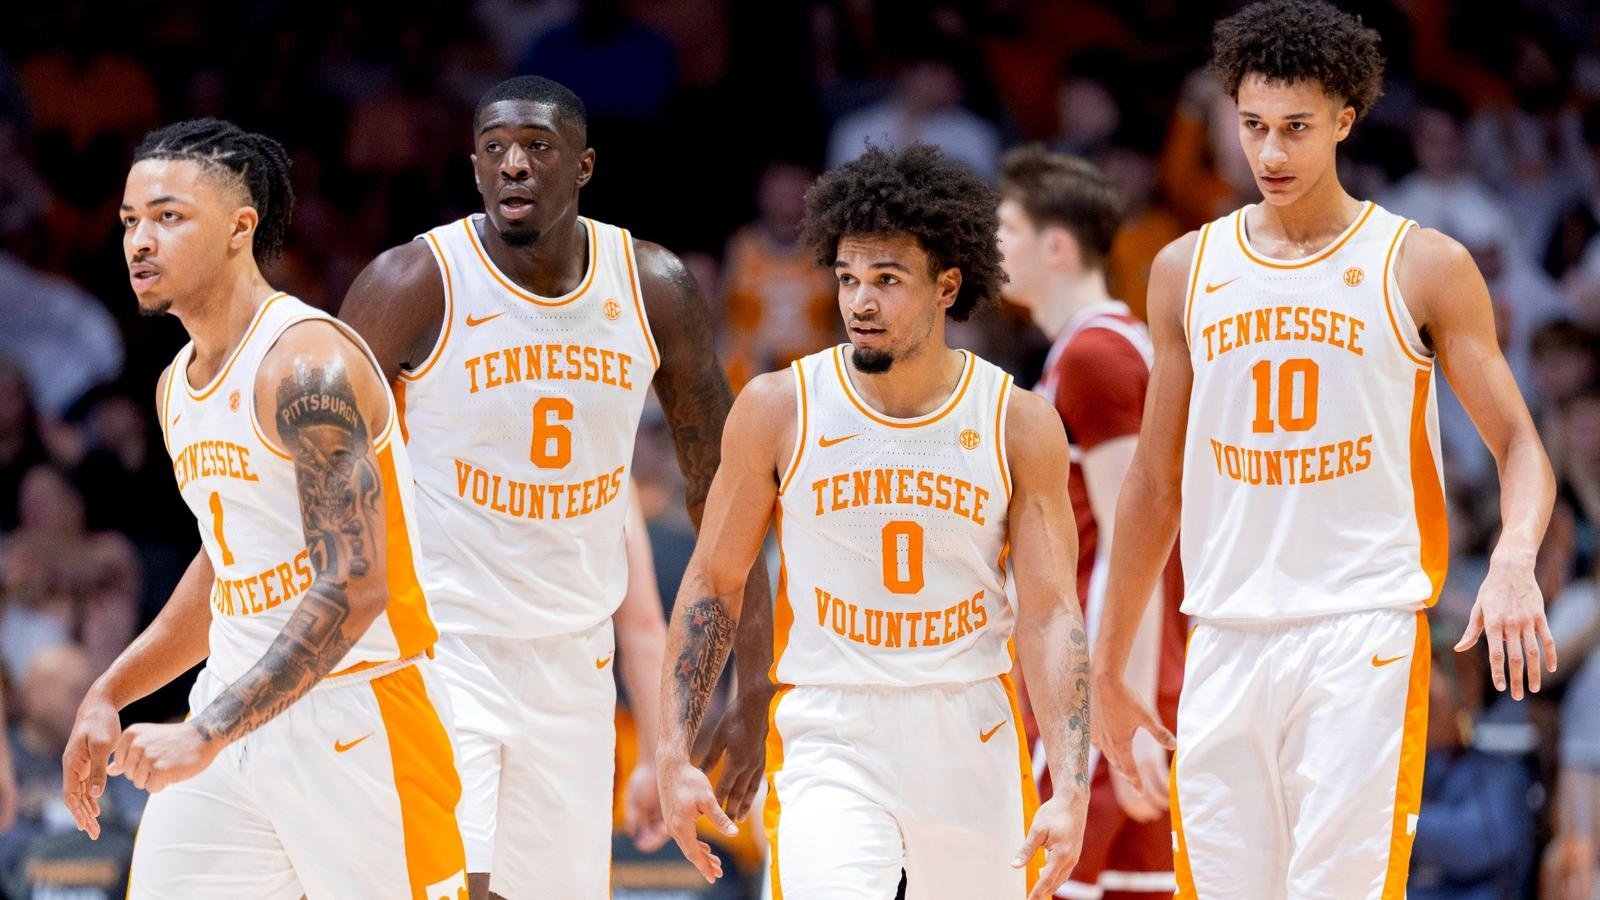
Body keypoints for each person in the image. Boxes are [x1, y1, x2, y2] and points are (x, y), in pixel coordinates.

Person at [1092, 3, 1558, 897]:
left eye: (1296, 128)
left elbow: (1520, 445)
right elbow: (1153, 482)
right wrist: (1109, 665)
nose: (1269, 153)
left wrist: (1512, 560)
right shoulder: (1185, 269)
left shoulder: (1420, 264)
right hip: (1225, 631)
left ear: (1345, 119)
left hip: (1360, 632)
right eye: (1253, 125)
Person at [335, 75, 771, 900]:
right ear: (474, 167)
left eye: (537, 147)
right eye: (494, 149)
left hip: (576, 664)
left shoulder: (653, 287)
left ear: (583, 166)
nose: (514, 165)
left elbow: (728, 503)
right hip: (442, 649)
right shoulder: (412, 283)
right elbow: (314, 472)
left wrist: (754, 688)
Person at [658, 143, 1092, 900]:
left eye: (887, 280)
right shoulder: (779, 407)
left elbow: (1051, 612)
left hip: (970, 725)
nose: (861, 301)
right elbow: (715, 581)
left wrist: (1072, 781)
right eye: (848, 278)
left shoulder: (1016, 422)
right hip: (831, 728)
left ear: (946, 285)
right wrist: (671, 747)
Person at [60, 119, 467, 898]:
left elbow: (354, 587)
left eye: (169, 217)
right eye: (130, 221)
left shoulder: (308, 365)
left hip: (359, 719)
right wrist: (109, 689)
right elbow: (229, 565)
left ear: (239, 228)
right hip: (234, 713)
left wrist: (206, 732)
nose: (140, 240)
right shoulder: (176, 386)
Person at [996, 146, 1184, 900]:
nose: (991, 246)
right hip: (1121, 670)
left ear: (1057, 246)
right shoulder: (1098, 346)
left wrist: (1120, 701)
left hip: (1099, 684)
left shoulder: (1095, 356)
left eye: (1006, 229)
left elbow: (1135, 538)